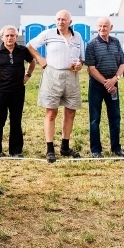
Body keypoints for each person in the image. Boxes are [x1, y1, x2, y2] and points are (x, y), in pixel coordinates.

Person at [27, 9, 85, 163]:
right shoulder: (48, 34)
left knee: (71, 112)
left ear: (70, 22)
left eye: (64, 19)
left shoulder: (78, 37)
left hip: (71, 76)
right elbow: (30, 46)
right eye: (58, 19)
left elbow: (81, 58)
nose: (60, 22)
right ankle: (50, 148)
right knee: (51, 112)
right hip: (52, 75)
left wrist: (80, 64)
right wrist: (40, 59)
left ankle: (65, 146)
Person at [0, 25, 35, 158]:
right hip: (1, 91)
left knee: (16, 120)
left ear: (16, 37)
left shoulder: (22, 50)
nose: (9, 38)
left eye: (12, 35)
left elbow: (32, 61)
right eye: (7, 36)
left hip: (18, 91)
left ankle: (16, 151)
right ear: (2, 37)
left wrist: (28, 75)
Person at [84, 17, 124, 158]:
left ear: (111, 27)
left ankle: (116, 148)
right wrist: (106, 82)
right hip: (97, 86)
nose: (102, 29)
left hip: (113, 86)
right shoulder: (91, 44)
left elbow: (123, 63)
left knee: (115, 117)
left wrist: (114, 80)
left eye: (105, 26)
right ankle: (96, 150)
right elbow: (91, 68)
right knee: (95, 118)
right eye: (100, 26)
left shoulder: (115, 42)